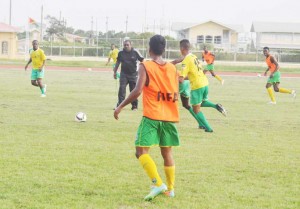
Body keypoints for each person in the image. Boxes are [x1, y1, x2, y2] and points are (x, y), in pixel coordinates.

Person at [114, 35, 179, 200]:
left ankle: (158, 184)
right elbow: (176, 90)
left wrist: (120, 106)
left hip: (152, 115)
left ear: (149, 49)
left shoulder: (146, 65)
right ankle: (170, 189)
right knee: (167, 152)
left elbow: (137, 90)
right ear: (163, 49)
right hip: (169, 116)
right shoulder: (172, 68)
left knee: (140, 151)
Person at [178, 39, 226, 132]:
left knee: (196, 109)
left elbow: (181, 79)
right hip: (204, 83)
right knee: (202, 103)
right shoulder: (194, 56)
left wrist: (171, 78)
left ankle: (208, 128)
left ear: (182, 49)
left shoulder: (185, 61)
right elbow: (194, 73)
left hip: (197, 86)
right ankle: (216, 106)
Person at [113, 40, 144, 110]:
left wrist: (142, 71)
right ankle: (119, 105)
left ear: (131, 45)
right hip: (124, 74)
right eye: (125, 45)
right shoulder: (121, 52)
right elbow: (118, 62)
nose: (126, 46)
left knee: (133, 90)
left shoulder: (135, 52)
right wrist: (115, 72)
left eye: (127, 45)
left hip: (133, 74)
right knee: (121, 89)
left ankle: (134, 106)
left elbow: (143, 60)